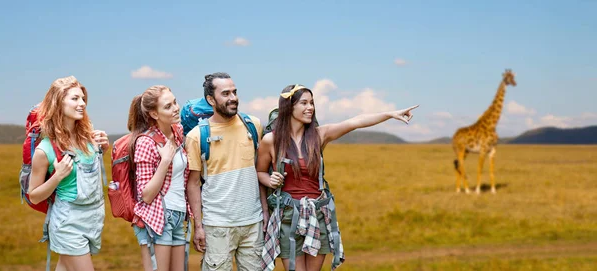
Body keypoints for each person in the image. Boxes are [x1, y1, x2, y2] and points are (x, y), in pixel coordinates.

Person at [257, 84, 419, 271]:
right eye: (304, 103)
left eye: (312, 103)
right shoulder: (271, 140)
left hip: (317, 214)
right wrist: (270, 180)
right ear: (288, 106)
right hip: (287, 216)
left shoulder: (319, 135)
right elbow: (260, 171)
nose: (310, 107)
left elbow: (354, 122)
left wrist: (390, 114)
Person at [185, 72, 268, 271]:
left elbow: (261, 171)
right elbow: (193, 183)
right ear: (211, 100)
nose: (233, 98)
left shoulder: (253, 125)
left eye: (234, 92)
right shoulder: (197, 136)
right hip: (217, 226)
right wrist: (199, 227)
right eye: (226, 93)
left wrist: (265, 211)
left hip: (253, 223)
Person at [27, 75, 110, 271]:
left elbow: (89, 172)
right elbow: (34, 195)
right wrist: (57, 176)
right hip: (68, 223)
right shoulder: (45, 150)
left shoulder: (88, 139)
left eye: (83, 99)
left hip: (93, 217)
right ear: (58, 103)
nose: (82, 103)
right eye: (74, 98)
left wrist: (103, 150)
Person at [128, 85, 194, 271]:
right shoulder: (145, 142)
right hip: (158, 218)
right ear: (154, 114)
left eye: (175, 102)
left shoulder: (178, 134)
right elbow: (146, 195)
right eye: (167, 106)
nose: (175, 108)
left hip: (179, 215)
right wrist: (165, 161)